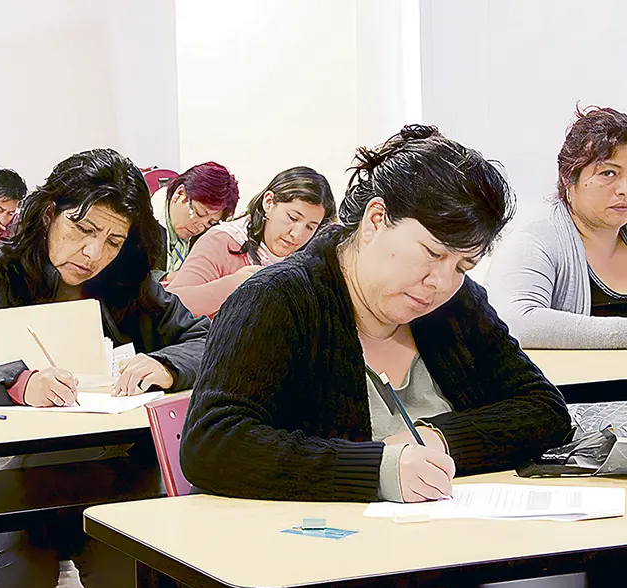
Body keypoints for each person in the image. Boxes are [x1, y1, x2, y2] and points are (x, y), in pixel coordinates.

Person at [180, 124, 571, 505]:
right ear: (375, 219)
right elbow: (214, 444)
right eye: (432, 253)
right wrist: (378, 468)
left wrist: (436, 438)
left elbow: (544, 409)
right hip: (318, 557)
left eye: (463, 265)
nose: (440, 280)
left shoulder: (456, 303)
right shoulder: (277, 299)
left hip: (446, 548)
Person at [0, 148, 209, 588]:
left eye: (113, 241)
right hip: (2, 472)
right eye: (82, 229)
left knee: (138, 570)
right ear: (49, 213)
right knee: (21, 574)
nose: (92, 252)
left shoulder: (127, 285)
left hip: (105, 471)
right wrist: (15, 382)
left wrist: (166, 364)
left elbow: (206, 343)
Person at [486, 105, 627, 348]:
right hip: (572, 386)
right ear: (568, 177)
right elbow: (516, 322)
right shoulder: (534, 241)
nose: (624, 189)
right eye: (608, 173)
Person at [167, 166, 334, 318]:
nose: (296, 235)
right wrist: (234, 284)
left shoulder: (309, 262)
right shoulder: (222, 241)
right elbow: (173, 306)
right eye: (293, 218)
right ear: (269, 202)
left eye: (310, 228)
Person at [150, 162, 239, 281]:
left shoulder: (205, 234)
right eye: (199, 213)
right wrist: (168, 278)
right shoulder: (139, 222)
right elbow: (124, 277)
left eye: (210, 222)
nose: (200, 227)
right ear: (180, 193)